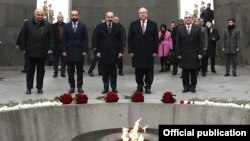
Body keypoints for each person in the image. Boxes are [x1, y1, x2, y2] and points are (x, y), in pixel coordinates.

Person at [20, 9, 53, 94]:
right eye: (38, 14)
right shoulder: (27, 23)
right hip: (30, 52)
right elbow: (23, 36)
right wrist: (23, 48)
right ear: (35, 14)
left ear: (43, 15)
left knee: (41, 71)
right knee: (30, 71)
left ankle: (39, 88)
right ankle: (29, 88)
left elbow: (51, 38)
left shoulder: (48, 25)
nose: (40, 16)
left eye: (41, 15)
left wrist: (50, 48)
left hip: (42, 52)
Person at [128, 7, 158, 94]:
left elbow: (156, 39)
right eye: (141, 13)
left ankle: (148, 86)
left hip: (149, 52)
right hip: (137, 52)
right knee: (139, 71)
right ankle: (139, 86)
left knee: (149, 71)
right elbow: (130, 38)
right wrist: (131, 51)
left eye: (144, 12)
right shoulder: (133, 24)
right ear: (138, 14)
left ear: (147, 14)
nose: (142, 14)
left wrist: (155, 51)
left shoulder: (153, 24)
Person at [93, 11, 123, 94]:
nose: (110, 19)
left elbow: (121, 40)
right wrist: (97, 51)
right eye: (108, 17)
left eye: (111, 17)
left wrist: (121, 51)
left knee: (113, 72)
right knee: (105, 72)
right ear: (105, 17)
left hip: (114, 53)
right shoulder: (99, 27)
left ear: (113, 18)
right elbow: (95, 40)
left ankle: (114, 88)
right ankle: (105, 88)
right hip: (103, 53)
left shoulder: (118, 27)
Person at [176, 13, 203, 93]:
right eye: (186, 17)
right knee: (185, 72)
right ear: (184, 19)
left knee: (194, 72)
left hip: (194, 54)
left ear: (192, 19)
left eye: (189, 17)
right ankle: (186, 87)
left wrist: (200, 53)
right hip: (183, 54)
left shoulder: (197, 28)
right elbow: (177, 42)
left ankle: (193, 87)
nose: (188, 19)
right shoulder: (180, 29)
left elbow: (200, 42)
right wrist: (178, 53)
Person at [62, 10, 88, 93]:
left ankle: (80, 86)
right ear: (70, 16)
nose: (74, 16)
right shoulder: (66, 26)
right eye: (72, 15)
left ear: (78, 16)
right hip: (69, 51)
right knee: (70, 71)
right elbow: (63, 39)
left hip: (80, 51)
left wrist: (85, 50)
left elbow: (85, 39)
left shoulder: (83, 26)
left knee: (80, 71)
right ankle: (72, 86)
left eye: (75, 15)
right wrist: (64, 50)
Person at [52, 13, 66, 78]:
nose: (61, 18)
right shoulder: (53, 26)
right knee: (55, 60)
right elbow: (51, 37)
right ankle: (55, 73)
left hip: (64, 46)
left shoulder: (66, 25)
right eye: (60, 17)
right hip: (56, 46)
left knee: (64, 60)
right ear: (57, 18)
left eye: (62, 17)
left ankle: (63, 73)